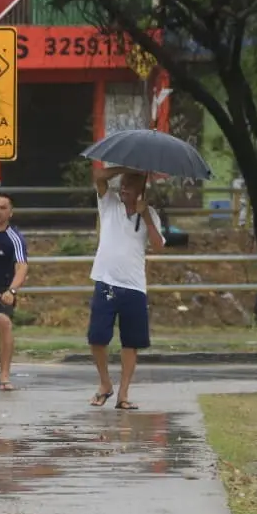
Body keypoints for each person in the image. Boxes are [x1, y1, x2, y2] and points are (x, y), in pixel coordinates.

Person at [87, 164, 166, 410]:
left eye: (129, 187)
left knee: (131, 342)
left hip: (134, 286)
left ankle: (123, 394)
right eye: (122, 185)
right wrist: (125, 168)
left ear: (140, 191)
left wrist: (144, 215)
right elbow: (99, 177)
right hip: (106, 281)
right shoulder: (109, 204)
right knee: (97, 338)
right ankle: (105, 384)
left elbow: (158, 245)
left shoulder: (150, 213)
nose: (123, 190)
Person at [0, 193, 29, 391]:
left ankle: (4, 375)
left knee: (3, 321)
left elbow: (21, 267)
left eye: (2, 208)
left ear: (10, 213)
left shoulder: (14, 238)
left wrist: (11, 290)